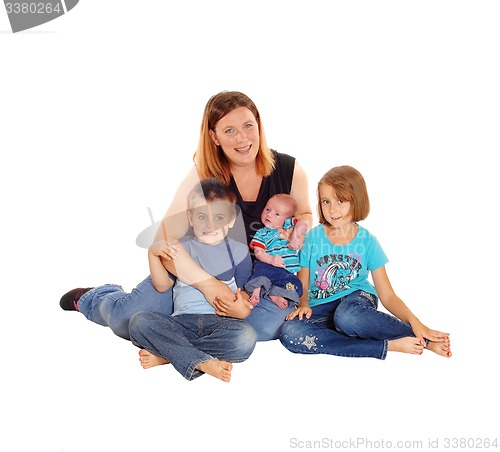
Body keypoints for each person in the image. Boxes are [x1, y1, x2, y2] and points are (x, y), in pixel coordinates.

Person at [59, 90, 312, 342]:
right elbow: (163, 242)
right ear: (214, 136)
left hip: (254, 276)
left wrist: (299, 230)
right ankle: (96, 298)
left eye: (248, 126)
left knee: (263, 328)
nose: (243, 138)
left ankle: (181, 328)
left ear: (259, 125)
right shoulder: (203, 175)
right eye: (229, 131)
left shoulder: (290, 170)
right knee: (126, 318)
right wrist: (208, 286)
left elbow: (306, 217)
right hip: (194, 267)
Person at [279, 165, 452, 359]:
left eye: (340, 201)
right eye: (326, 201)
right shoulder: (312, 238)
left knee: (347, 318)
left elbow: (388, 296)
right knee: (289, 333)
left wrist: (416, 323)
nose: (332, 209)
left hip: (357, 302)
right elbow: (302, 280)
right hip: (321, 307)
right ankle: (384, 346)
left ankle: (424, 341)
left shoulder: (368, 242)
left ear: (357, 201)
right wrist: (303, 304)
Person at [129, 179, 256, 382]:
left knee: (246, 338)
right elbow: (162, 285)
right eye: (202, 216)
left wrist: (240, 311)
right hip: (181, 322)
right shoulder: (181, 247)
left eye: (219, 217)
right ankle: (202, 362)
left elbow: (244, 299)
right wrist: (152, 255)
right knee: (139, 322)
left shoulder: (239, 252)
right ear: (190, 218)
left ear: (232, 220)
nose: (210, 225)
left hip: (220, 324)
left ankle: (168, 356)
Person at [244, 193, 309, 309]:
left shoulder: (288, 228)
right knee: (258, 266)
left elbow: (304, 224)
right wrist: (270, 260)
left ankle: (276, 293)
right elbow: (259, 252)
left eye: (277, 214)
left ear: (287, 219)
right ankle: (256, 289)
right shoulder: (262, 233)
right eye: (267, 209)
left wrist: (296, 235)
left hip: (286, 273)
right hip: (269, 268)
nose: (269, 214)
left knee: (298, 285)